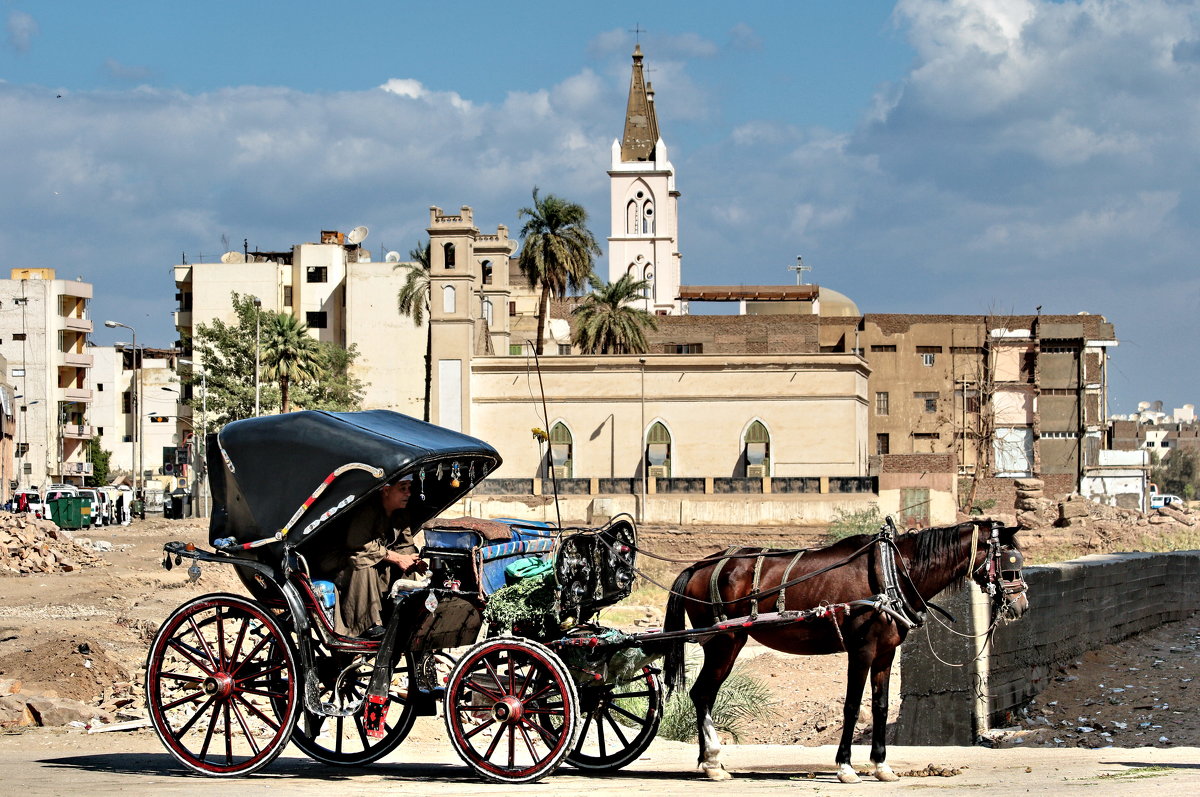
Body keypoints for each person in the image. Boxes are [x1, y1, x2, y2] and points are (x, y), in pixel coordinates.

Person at [316, 474, 426, 638]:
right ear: (387, 491)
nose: (408, 493)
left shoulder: (401, 514)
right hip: (342, 562)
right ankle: (365, 623)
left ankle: (404, 616)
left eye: (409, 488)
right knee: (363, 562)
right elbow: (358, 544)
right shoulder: (367, 510)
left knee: (405, 562)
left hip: (373, 559)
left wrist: (414, 561)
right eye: (402, 488)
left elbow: (405, 546)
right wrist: (397, 558)